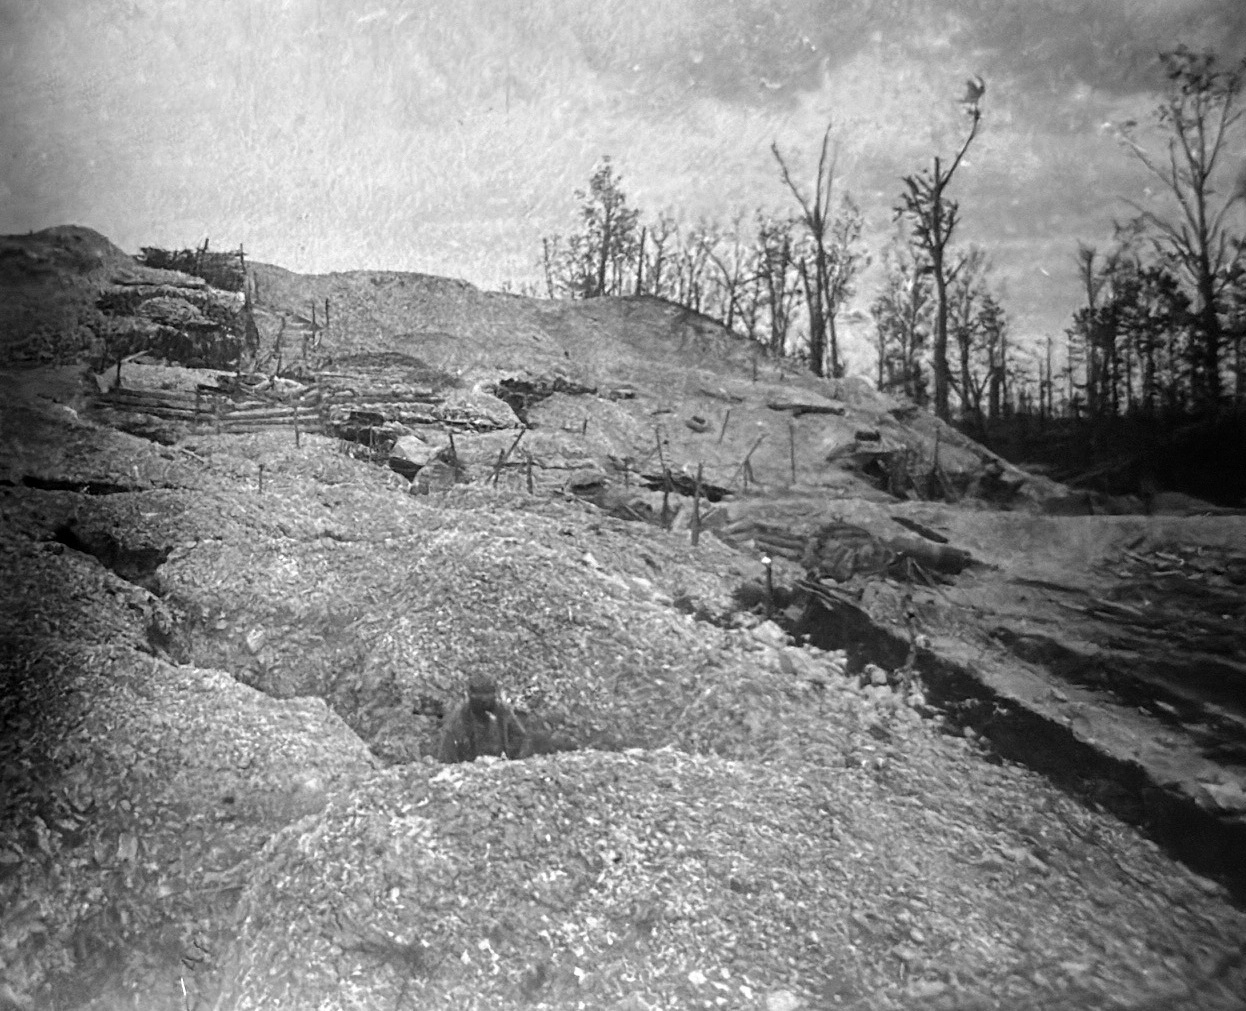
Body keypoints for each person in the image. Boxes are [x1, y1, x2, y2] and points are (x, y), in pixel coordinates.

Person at [437, 674, 529, 763]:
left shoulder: (502, 711)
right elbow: (446, 752)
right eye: (480, 696)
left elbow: (519, 736)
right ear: (470, 694)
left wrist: (508, 758)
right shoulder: (459, 717)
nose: (484, 700)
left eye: (488, 694)